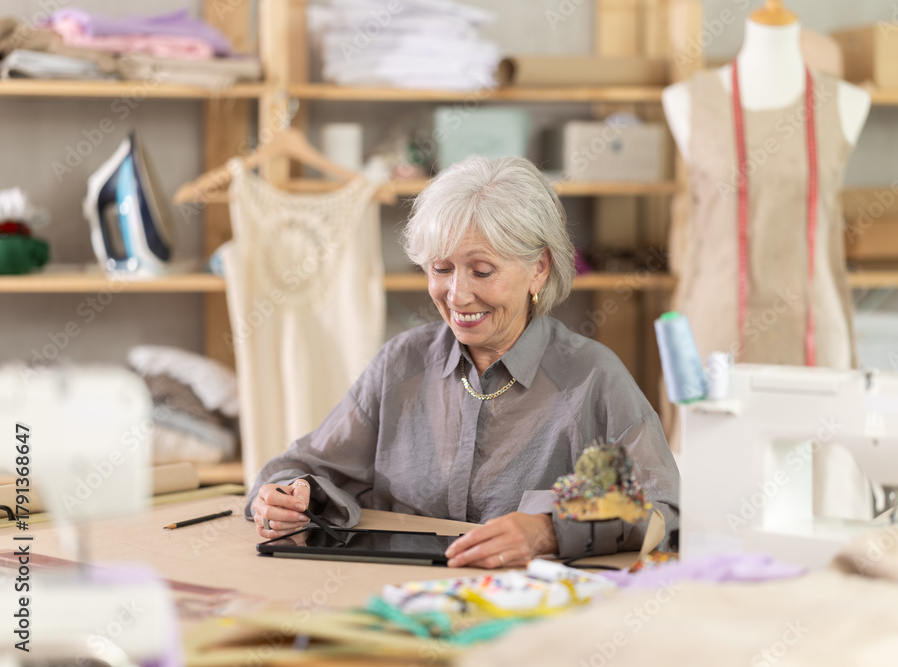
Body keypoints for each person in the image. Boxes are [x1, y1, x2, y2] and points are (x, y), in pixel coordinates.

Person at [246, 155, 680, 568]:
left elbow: (664, 509)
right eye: (441, 269)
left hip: (523, 605)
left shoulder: (592, 377)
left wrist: (549, 530)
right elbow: (301, 467)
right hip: (400, 596)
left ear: (539, 269)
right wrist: (284, 497)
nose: (457, 295)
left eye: (482, 271)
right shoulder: (402, 363)